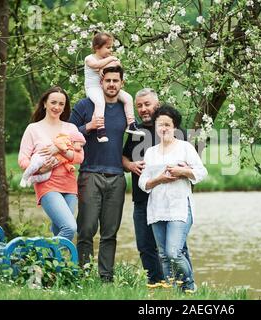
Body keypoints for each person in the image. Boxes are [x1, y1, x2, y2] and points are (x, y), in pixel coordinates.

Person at [122, 89, 194, 286]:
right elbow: (124, 157)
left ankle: (185, 286)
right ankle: (157, 285)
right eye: (139, 105)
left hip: (171, 201)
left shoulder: (176, 131)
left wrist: (183, 171)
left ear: (157, 104)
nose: (144, 109)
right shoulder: (136, 130)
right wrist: (130, 165)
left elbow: (193, 166)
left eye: (147, 104)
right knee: (146, 247)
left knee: (177, 249)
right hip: (142, 199)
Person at [138, 105, 208, 292]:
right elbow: (142, 183)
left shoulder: (185, 147)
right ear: (155, 126)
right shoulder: (150, 152)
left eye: (168, 124)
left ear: (174, 126)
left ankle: (189, 286)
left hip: (179, 207)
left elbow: (201, 173)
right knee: (163, 254)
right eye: (160, 124)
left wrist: (182, 171)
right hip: (157, 208)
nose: (164, 128)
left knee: (173, 252)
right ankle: (173, 293)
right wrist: (158, 179)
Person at [69, 65, 128, 283]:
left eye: (116, 81)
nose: (112, 84)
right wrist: (89, 126)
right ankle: (83, 276)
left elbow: (136, 139)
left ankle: (106, 278)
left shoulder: (125, 109)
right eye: (108, 80)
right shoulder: (86, 105)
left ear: (122, 83)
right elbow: (66, 132)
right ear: (101, 82)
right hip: (90, 174)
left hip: (117, 177)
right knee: (86, 228)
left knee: (110, 232)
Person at [18, 86, 84, 241]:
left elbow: (79, 158)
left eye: (61, 104)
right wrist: (39, 170)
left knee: (58, 229)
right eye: (53, 102)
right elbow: (23, 159)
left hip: (69, 185)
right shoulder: (33, 129)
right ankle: (47, 261)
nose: (57, 107)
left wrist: (59, 150)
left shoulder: (71, 128)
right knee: (70, 227)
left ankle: (56, 264)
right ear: (44, 104)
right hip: (47, 184)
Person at [84, 32, 144, 142]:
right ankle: (100, 130)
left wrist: (113, 62)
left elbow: (119, 67)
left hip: (106, 87)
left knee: (128, 98)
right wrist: (112, 59)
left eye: (111, 47)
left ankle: (131, 124)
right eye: (108, 47)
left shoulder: (107, 59)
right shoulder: (89, 58)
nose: (110, 50)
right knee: (100, 102)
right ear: (97, 47)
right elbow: (96, 65)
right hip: (93, 88)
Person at [19, 131, 86, 188]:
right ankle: (24, 177)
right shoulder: (66, 140)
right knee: (34, 166)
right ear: (74, 142)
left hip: (52, 167)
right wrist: (62, 149)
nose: (81, 148)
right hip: (43, 156)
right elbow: (57, 141)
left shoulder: (72, 148)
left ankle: (31, 179)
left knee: (46, 177)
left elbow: (67, 162)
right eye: (81, 146)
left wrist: (70, 167)